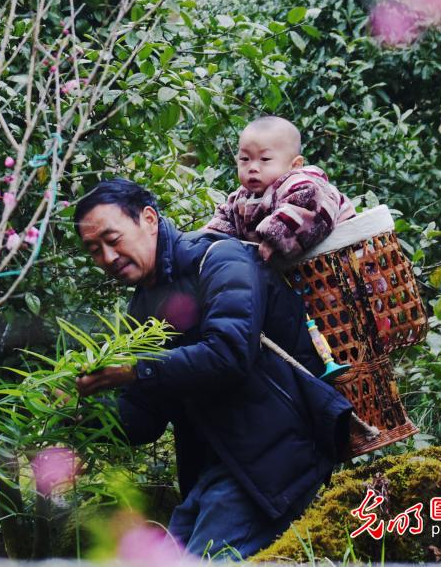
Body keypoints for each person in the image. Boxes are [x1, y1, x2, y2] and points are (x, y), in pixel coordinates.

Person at [74, 178, 352, 559]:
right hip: (216, 470)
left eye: (112, 238)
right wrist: (75, 412)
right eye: (94, 250)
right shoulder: (141, 309)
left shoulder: (220, 259)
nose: (107, 257)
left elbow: (229, 355)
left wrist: (136, 369)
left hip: (275, 457)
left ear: (149, 219)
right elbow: (144, 419)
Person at [205, 116, 355, 263]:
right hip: (302, 276)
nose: (252, 168)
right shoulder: (242, 198)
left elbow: (312, 209)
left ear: (295, 165)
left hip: (344, 262)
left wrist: (276, 237)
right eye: (244, 159)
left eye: (265, 159)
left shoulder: (302, 184)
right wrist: (203, 239)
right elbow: (226, 220)